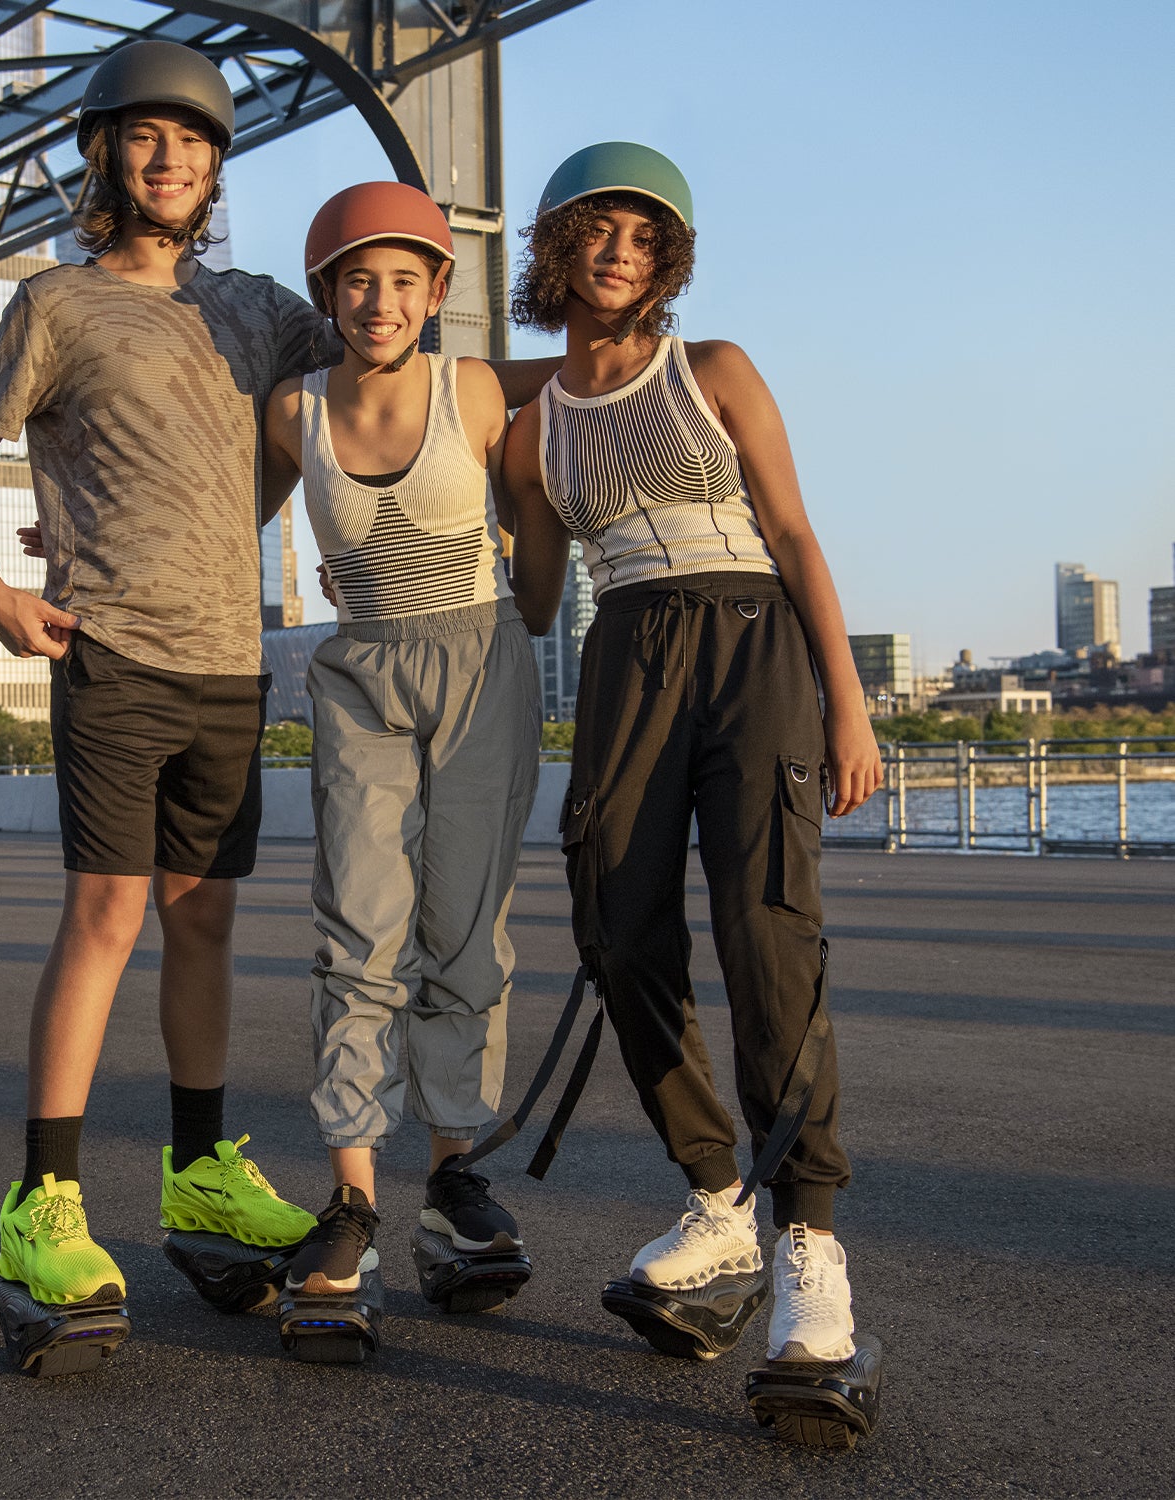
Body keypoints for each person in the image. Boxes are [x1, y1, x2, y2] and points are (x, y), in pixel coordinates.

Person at [0, 40, 329, 1333]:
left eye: (196, 142)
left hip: (232, 662)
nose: (171, 159)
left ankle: (203, 1174)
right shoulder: (56, 305)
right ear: (105, 154)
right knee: (107, 912)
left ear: (217, 168)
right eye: (146, 138)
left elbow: (361, 365)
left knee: (202, 917)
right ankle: (43, 1201)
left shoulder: (256, 309)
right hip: (111, 653)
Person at [504, 144, 884, 1374]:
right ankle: (717, 1199)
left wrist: (850, 704)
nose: (621, 253)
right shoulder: (529, 427)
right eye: (599, 232)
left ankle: (809, 1242)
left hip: (753, 636)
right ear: (558, 248)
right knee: (616, 924)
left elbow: (793, 531)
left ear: (669, 263)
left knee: (768, 932)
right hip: (625, 652)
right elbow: (534, 593)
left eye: (644, 238)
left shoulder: (711, 370)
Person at [260, 183, 542, 1310]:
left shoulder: (472, 387)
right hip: (361, 671)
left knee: (465, 930)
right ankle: (353, 1198)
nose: (380, 301)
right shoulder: (293, 411)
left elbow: (563, 442)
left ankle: (455, 1177)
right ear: (327, 293)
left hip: (482, 664)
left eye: (404, 281)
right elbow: (215, 517)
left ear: (438, 294)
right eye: (358, 280)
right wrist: (68, 534)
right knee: (358, 927)